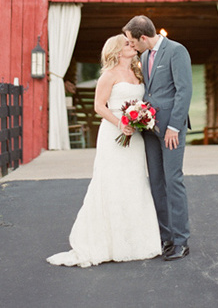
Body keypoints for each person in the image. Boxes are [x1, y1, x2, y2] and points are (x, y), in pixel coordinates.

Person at [46, 34, 161, 267]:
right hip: (114, 134)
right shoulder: (108, 75)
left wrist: (142, 119)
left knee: (134, 182)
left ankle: (137, 242)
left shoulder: (138, 73)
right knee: (112, 182)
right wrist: (121, 123)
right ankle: (109, 242)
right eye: (129, 44)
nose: (134, 46)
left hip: (134, 137)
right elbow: (99, 106)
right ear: (118, 52)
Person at [123, 15, 193, 261]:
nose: (131, 46)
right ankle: (166, 238)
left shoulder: (176, 50)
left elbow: (184, 90)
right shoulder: (143, 57)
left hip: (171, 129)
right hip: (149, 128)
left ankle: (182, 241)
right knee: (156, 183)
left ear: (143, 37)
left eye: (132, 42)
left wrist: (175, 125)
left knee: (173, 181)